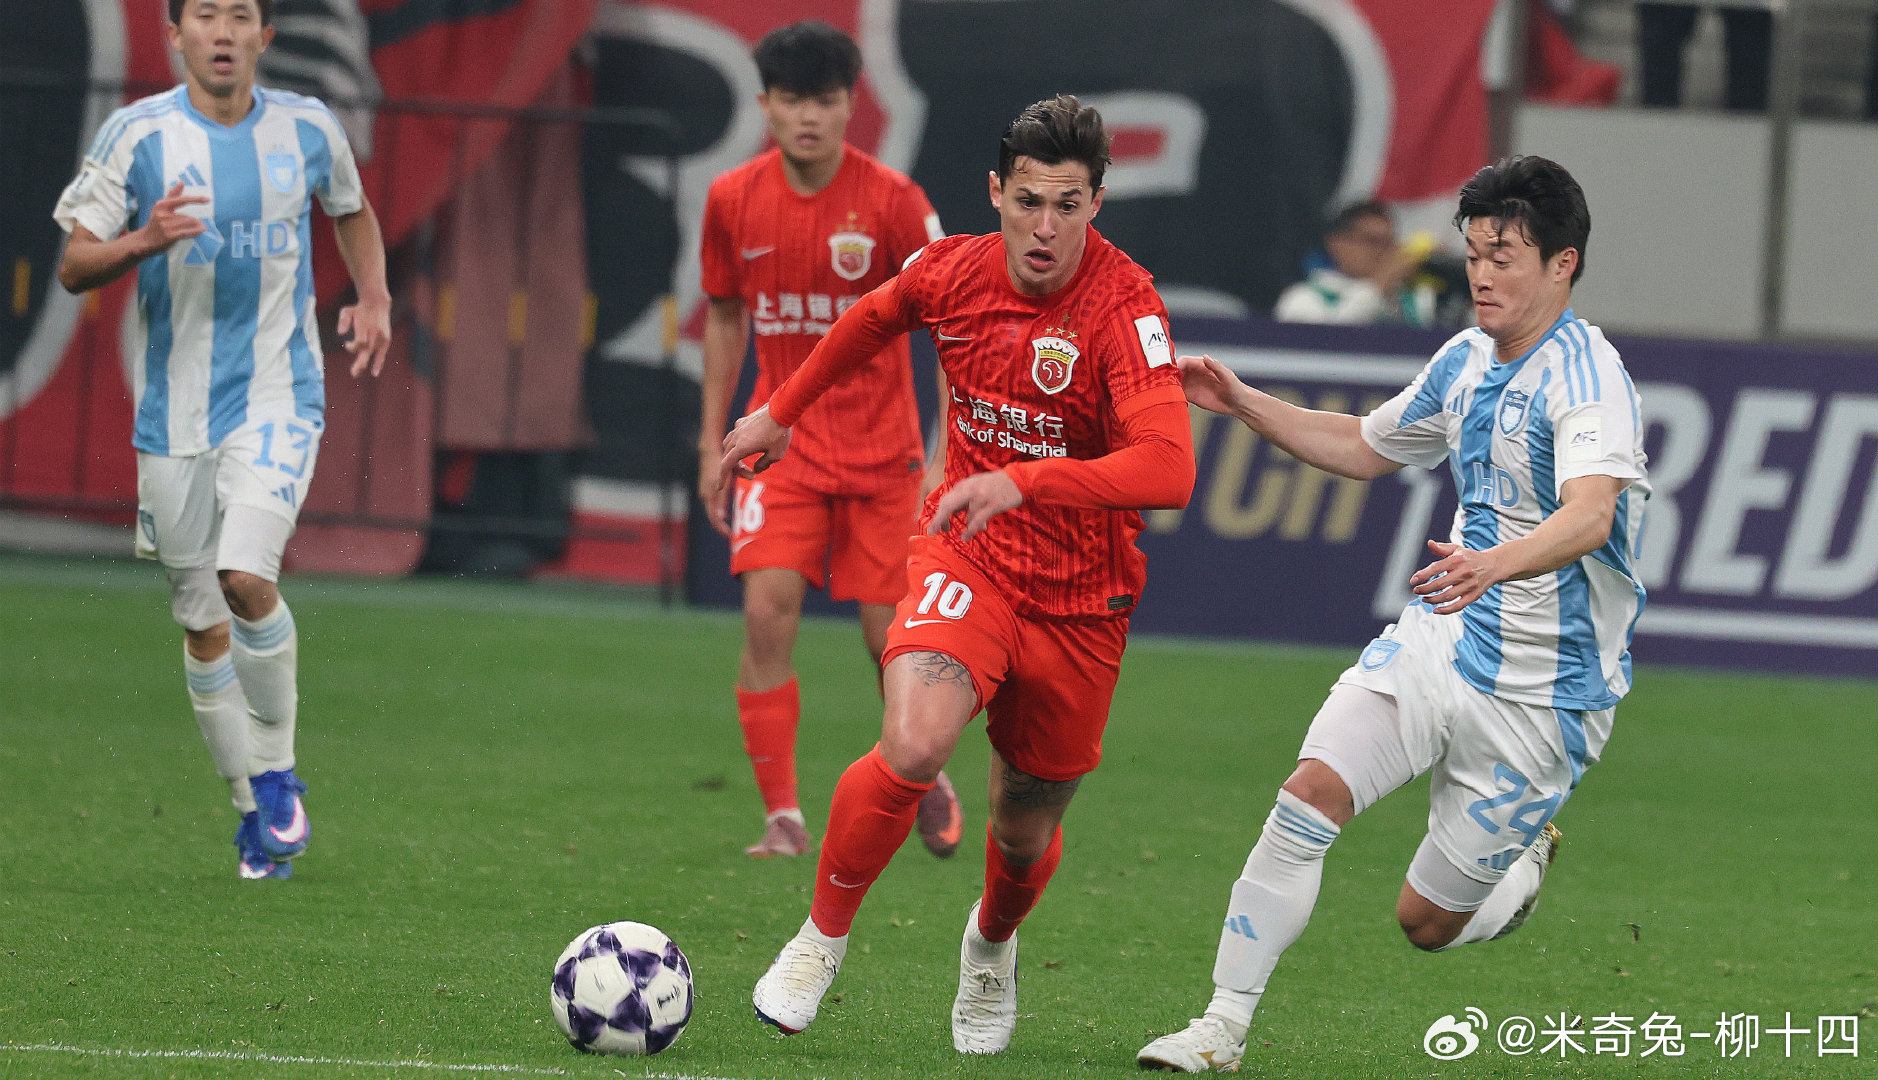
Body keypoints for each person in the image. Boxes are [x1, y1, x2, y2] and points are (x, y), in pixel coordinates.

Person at [1138, 156, 1648, 1072]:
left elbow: (1591, 514)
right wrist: (1242, 402)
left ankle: (1522, 869)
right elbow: (1366, 446)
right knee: (1308, 796)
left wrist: (1494, 561)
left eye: (1503, 257)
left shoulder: (1589, 377)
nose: (1480, 274)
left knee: (1426, 923)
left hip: (1546, 697)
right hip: (1443, 636)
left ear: (1562, 264)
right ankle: (1220, 1026)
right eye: (1474, 254)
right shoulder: (1463, 358)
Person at [721, 93, 1196, 1055]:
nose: (1045, 227)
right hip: (967, 558)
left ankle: (989, 946)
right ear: (995, 193)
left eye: (1067, 205)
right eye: (1028, 202)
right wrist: (781, 411)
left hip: (1082, 602)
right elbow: (870, 317)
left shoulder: (1125, 306)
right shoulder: (952, 271)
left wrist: (1025, 480)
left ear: (1098, 203)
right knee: (913, 744)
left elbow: (1169, 469)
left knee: (1022, 835)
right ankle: (820, 939)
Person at [53, 0, 390, 880]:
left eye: (241, 15)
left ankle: (277, 772)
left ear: (265, 36)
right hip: (173, 417)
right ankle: (252, 813)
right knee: (204, 627)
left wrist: (374, 297)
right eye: (205, 14)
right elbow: (74, 264)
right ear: (177, 35)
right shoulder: (138, 136)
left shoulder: (308, 127)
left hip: (280, 397)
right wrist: (145, 238)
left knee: (245, 579)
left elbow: (351, 208)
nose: (224, 31)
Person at [696, 20, 961, 860]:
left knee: (890, 640)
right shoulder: (732, 199)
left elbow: (952, 328)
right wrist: (711, 441)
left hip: (886, 457)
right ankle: (782, 816)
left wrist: (947, 452)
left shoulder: (895, 203)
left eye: (825, 100)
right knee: (766, 612)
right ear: (765, 105)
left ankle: (924, 771)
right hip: (782, 447)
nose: (808, 116)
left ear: (851, 105)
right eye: (792, 100)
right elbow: (726, 319)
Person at [1272, 200, 1436, 328]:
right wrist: (1378, 285)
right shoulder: (1302, 299)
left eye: (1388, 243)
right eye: (1372, 241)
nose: (1382, 251)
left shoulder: (1414, 301)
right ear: (1337, 243)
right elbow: (1333, 343)